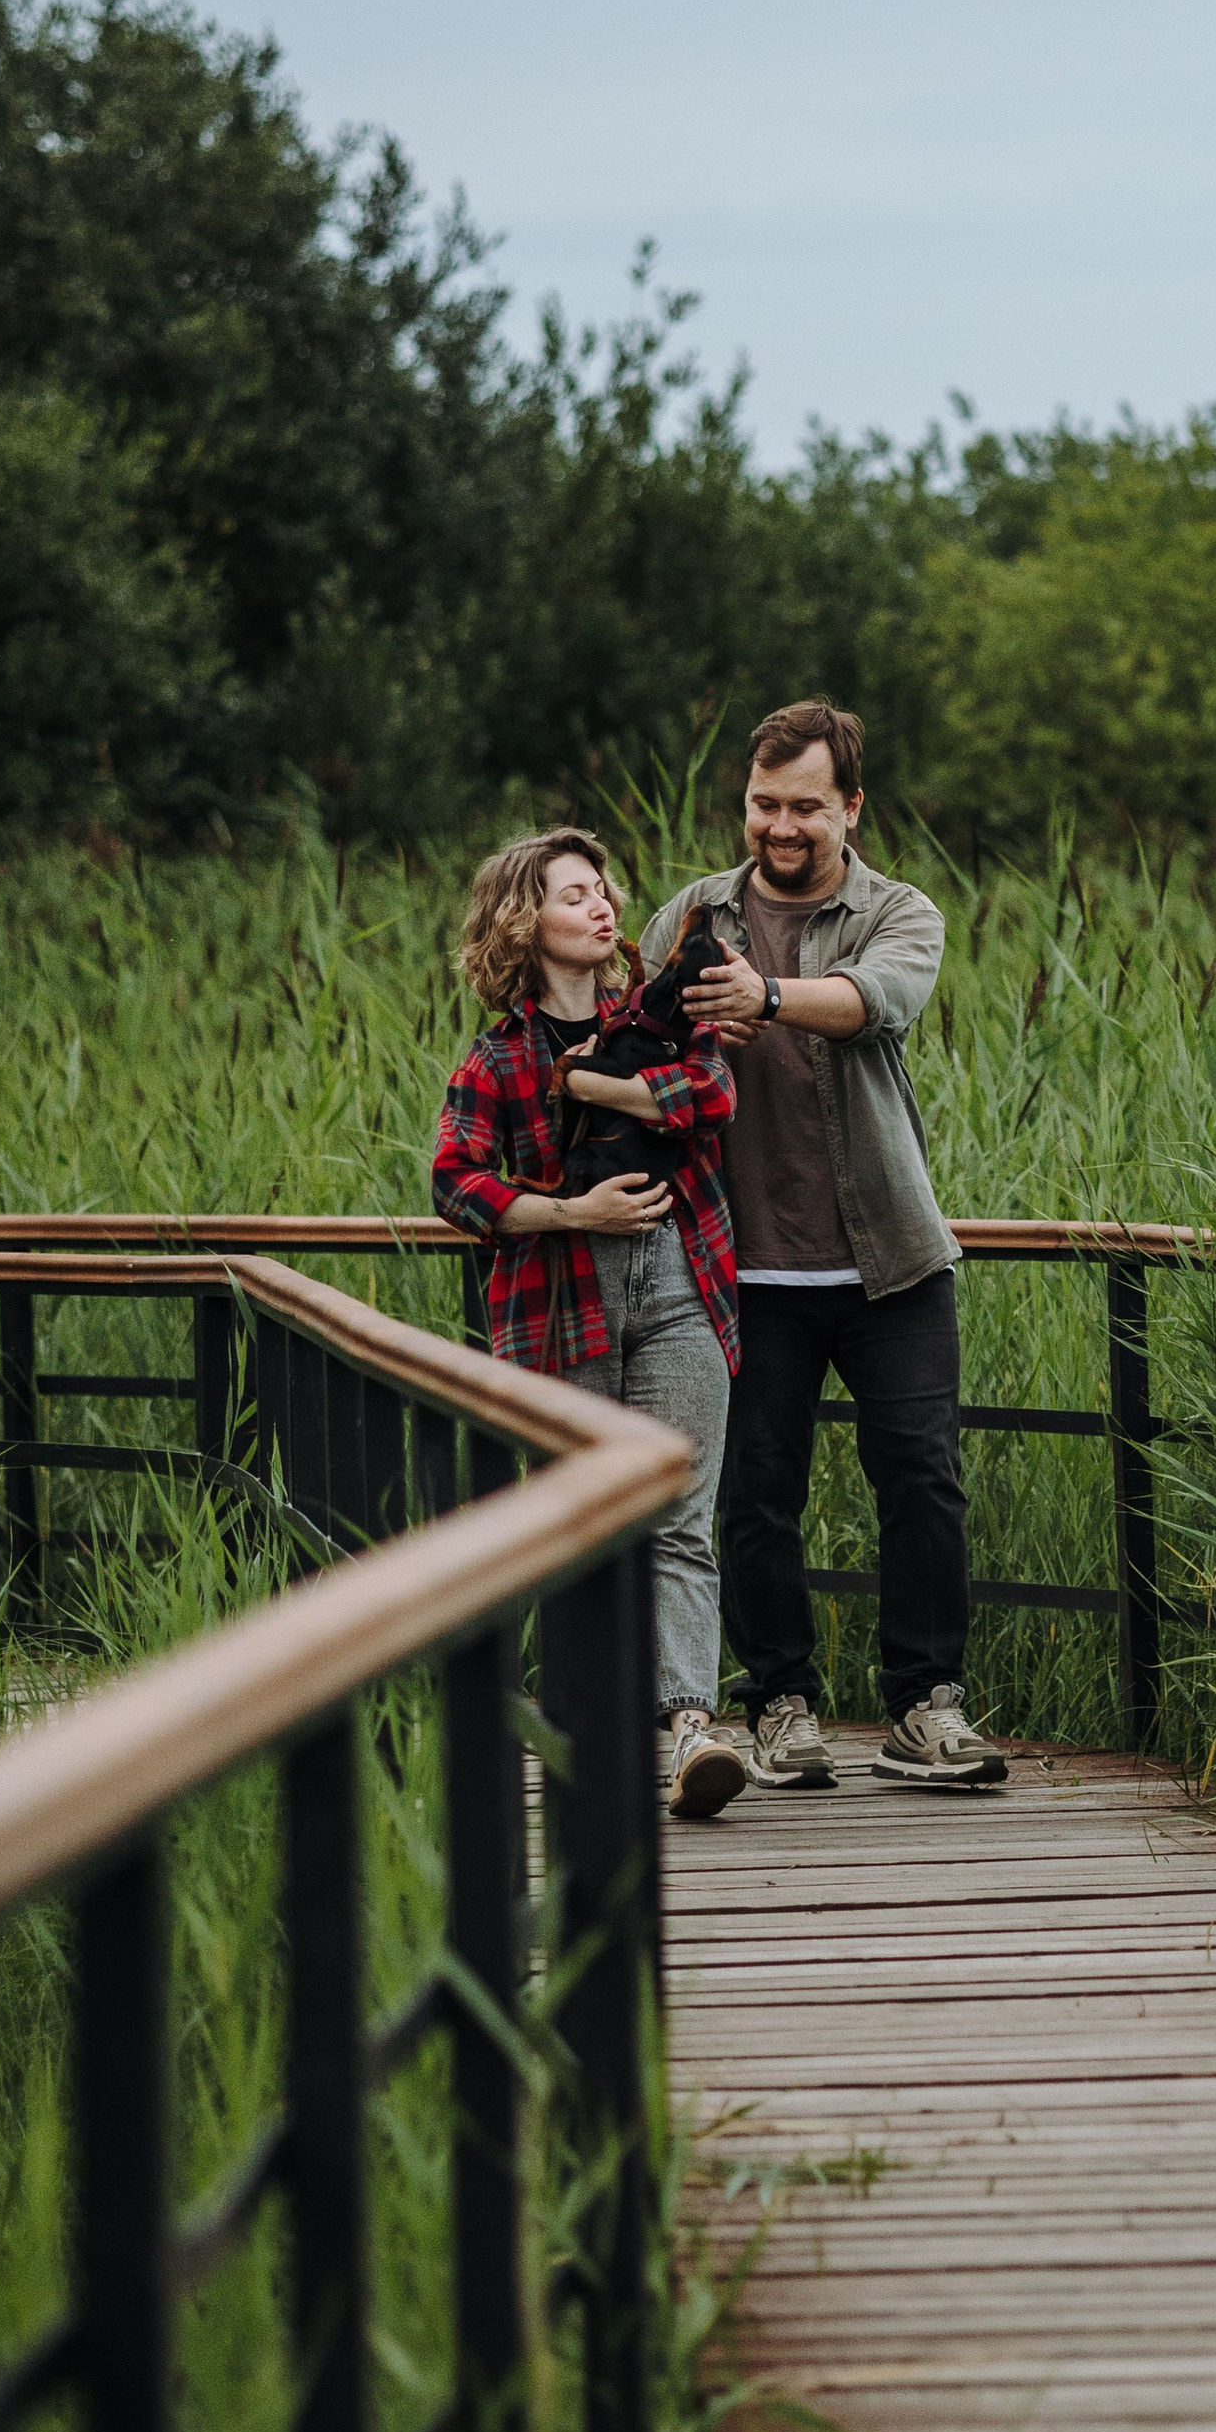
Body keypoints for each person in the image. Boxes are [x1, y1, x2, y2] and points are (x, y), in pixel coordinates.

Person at [641, 703, 1008, 1795]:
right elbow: (629, 1036)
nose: (782, 825)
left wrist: (765, 996)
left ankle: (924, 1706)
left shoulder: (899, 910)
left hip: (889, 1259)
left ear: (851, 808)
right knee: (755, 1493)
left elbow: (875, 1001)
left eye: (806, 805)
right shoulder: (693, 914)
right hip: (739, 1265)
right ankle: (781, 1706)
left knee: (923, 1482)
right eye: (764, 804)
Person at [431, 826, 750, 1818]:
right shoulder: (493, 1059)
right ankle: (589, 1726)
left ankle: (691, 1729)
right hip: (558, 1295)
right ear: (525, 922)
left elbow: (707, 1093)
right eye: (574, 895)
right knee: (579, 1521)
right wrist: (574, 1211)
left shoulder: (656, 1015)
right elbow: (457, 1182)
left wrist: (593, 1082)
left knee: (679, 1514)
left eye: (603, 889)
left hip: (677, 1280)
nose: (603, 904)